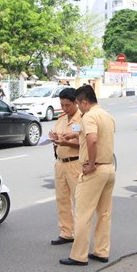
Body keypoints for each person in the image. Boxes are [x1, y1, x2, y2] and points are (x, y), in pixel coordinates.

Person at [59, 85, 115, 266]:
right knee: (104, 213)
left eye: (78, 103)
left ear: (84, 102)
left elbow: (92, 139)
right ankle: (101, 251)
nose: (78, 107)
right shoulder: (107, 115)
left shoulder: (89, 116)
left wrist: (90, 164)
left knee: (83, 213)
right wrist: (71, 136)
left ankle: (78, 255)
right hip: (108, 168)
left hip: (95, 169)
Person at [48, 88, 81, 245]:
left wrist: (65, 142)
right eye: (62, 105)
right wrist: (54, 139)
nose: (65, 108)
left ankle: (81, 234)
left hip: (76, 163)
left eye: (68, 105)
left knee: (79, 200)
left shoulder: (83, 119)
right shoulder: (61, 119)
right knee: (62, 199)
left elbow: (86, 145)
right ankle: (66, 232)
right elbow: (57, 136)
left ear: (76, 102)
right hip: (60, 163)